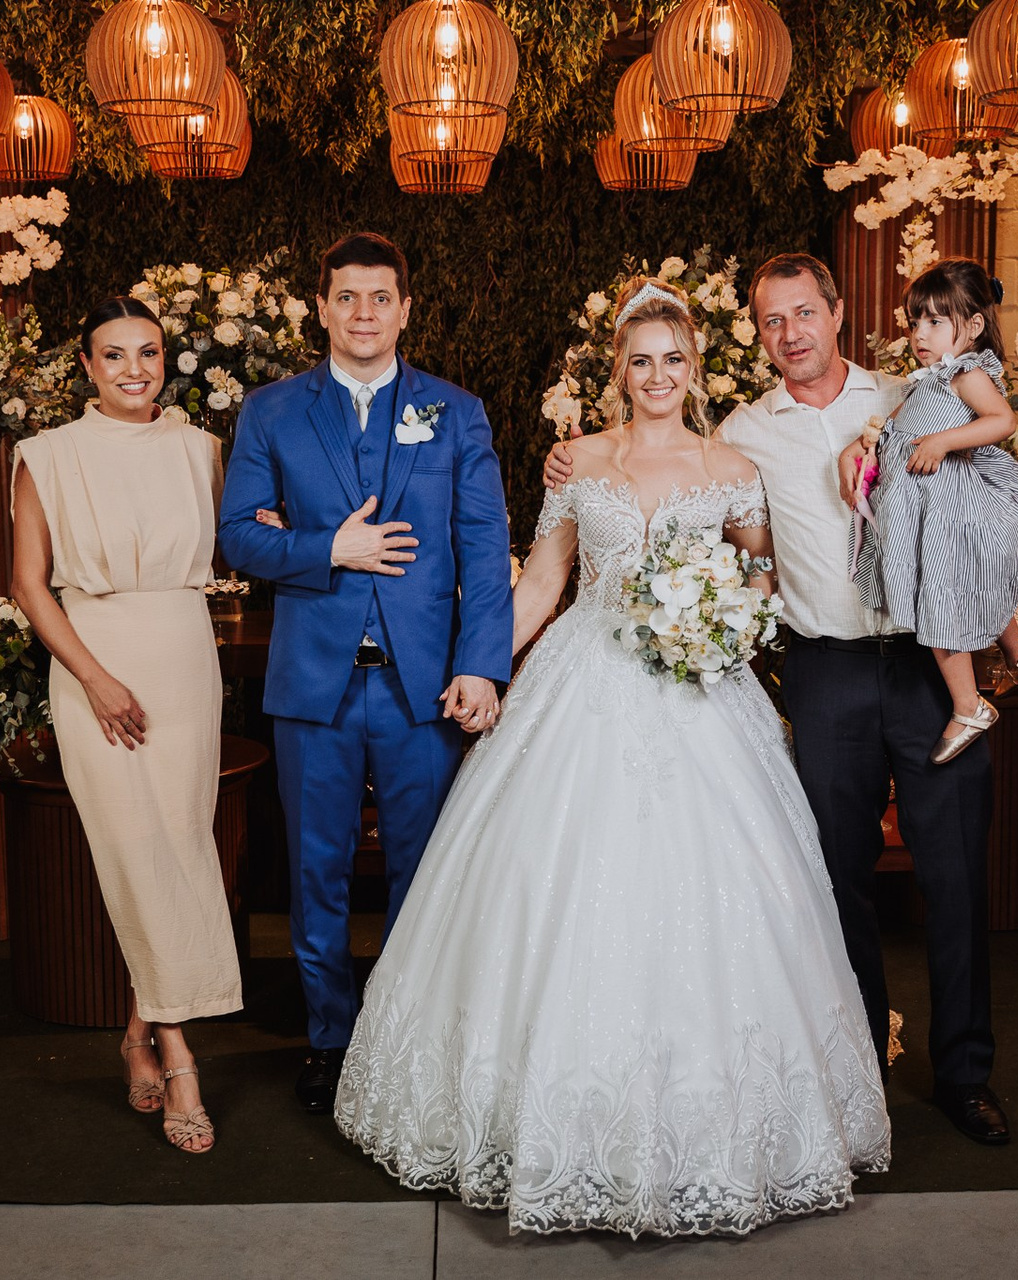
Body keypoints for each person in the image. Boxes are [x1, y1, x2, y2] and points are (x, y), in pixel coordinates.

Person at [338, 277, 891, 1238]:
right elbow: (545, 580)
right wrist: (481, 667)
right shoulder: (579, 463)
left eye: (673, 359)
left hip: (701, 694)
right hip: (582, 677)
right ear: (620, 374)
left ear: (695, 368)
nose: (658, 375)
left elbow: (760, 576)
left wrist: (724, 621)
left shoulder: (732, 467)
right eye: (641, 362)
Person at [543, 254, 1012, 1146]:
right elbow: (730, 549)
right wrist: (574, 459)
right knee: (834, 882)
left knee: (954, 875)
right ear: (757, 335)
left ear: (837, 312)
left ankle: (965, 1073)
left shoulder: (910, 396)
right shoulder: (743, 437)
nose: (790, 333)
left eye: (804, 312)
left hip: (926, 661)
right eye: (771, 321)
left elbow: (986, 485)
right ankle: (858, 1070)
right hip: (824, 671)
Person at [217, 232, 513, 1114]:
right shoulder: (272, 411)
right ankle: (330, 1041)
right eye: (346, 297)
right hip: (315, 685)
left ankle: (408, 1040)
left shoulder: (455, 411)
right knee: (318, 872)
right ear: (321, 308)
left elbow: (485, 549)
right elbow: (236, 535)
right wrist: (327, 548)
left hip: (424, 687)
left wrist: (481, 666)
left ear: (405, 310)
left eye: (381, 297)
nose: (364, 313)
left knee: (426, 872)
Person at [10, 298, 242, 1155]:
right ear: (86, 365)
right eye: (114, 355)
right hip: (95, 662)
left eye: (148, 352)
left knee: (178, 847)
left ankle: (136, 1035)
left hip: (184, 658)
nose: (134, 369)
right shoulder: (46, 455)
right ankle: (179, 1058)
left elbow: (236, 546)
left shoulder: (200, 449)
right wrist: (96, 678)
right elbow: (28, 584)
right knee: (136, 851)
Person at [853, 258, 1018, 764]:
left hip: (950, 510)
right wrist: (866, 443)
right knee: (973, 581)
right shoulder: (927, 380)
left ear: (973, 326)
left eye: (935, 321)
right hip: (930, 511)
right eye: (915, 321)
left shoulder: (966, 372)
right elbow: (891, 426)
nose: (919, 333)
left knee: (943, 604)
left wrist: (943, 441)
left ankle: (968, 706)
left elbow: (1001, 420)